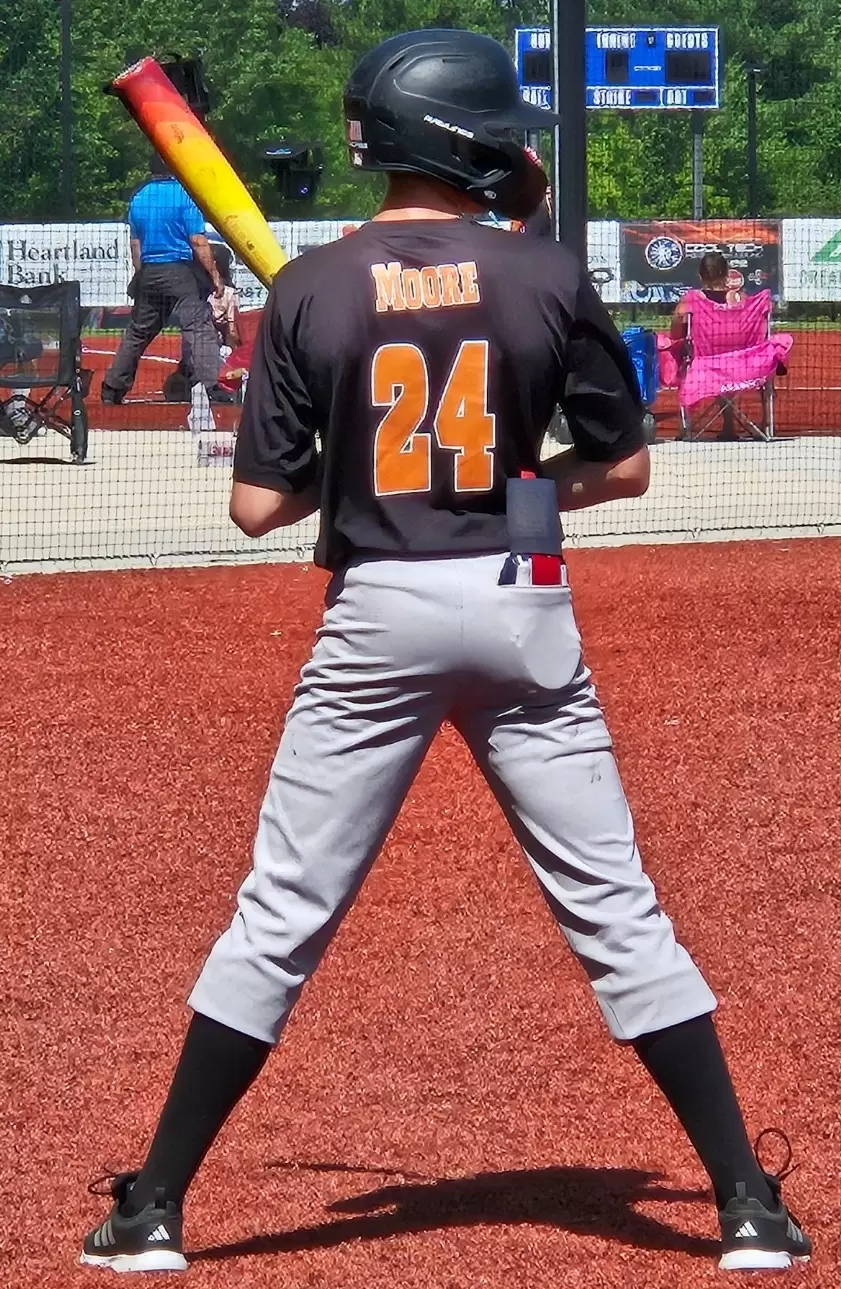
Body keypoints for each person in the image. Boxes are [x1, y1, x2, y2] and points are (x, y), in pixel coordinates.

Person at [80, 30, 811, 1277]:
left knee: (283, 909)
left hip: (379, 606)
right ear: (470, 142)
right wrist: (515, 484)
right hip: (523, 600)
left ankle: (153, 1208)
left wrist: (359, 460)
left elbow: (256, 509)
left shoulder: (315, 286)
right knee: (616, 904)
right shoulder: (544, 273)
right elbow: (623, 466)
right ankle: (745, 1203)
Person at [101, 154, 226, 405]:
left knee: (138, 332)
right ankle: (214, 386)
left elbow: (135, 245)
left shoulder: (139, 198)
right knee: (198, 328)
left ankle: (112, 387)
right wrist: (215, 275)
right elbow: (197, 241)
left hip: (150, 271)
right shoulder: (184, 195)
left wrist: (141, 275)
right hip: (179, 270)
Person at [670, 252, 744, 440]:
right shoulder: (740, 299)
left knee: (679, 353)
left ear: (700, 276)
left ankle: (686, 428)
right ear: (727, 274)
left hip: (703, 363)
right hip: (741, 364)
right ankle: (730, 425)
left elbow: (676, 329)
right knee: (726, 358)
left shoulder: (692, 299)